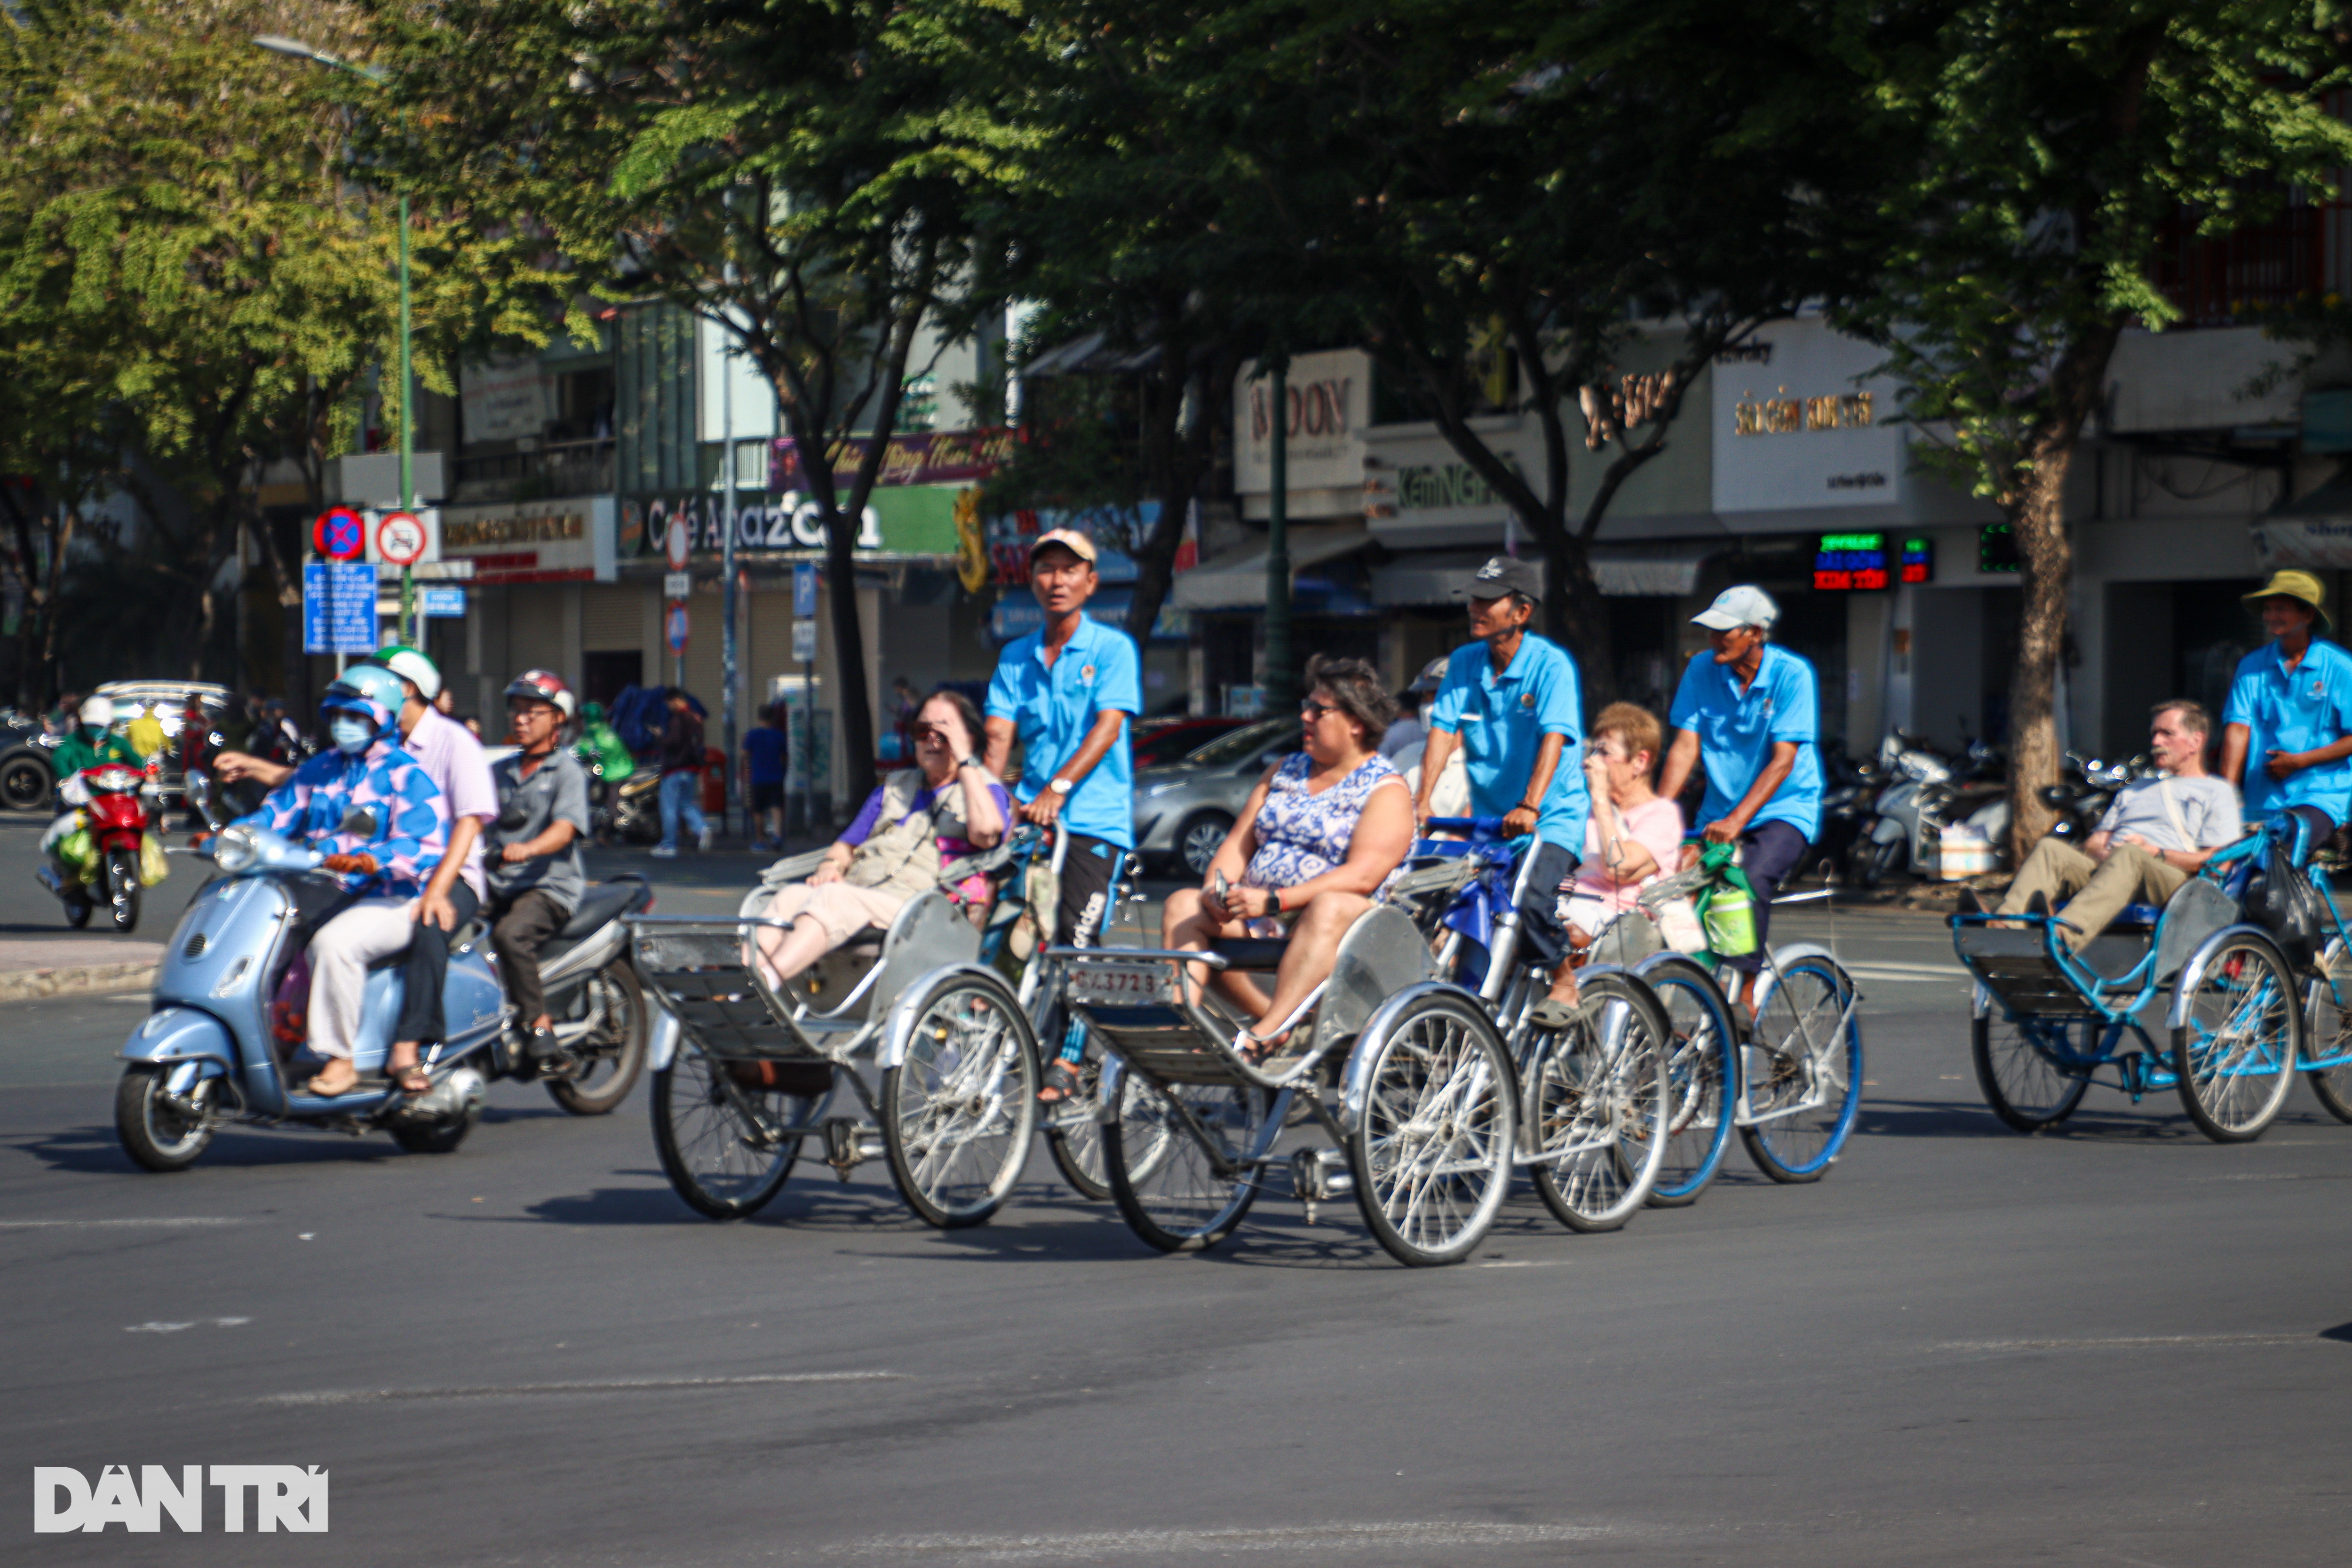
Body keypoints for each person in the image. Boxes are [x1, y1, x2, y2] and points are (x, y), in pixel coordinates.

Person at [1160, 656, 1413, 1065]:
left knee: (1331, 904)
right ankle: (1183, 1023)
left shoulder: (1386, 789)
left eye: (1320, 709)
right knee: (1183, 903)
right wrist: (1215, 890)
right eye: (1306, 706)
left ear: (1356, 722)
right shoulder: (1284, 771)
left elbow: (1363, 876)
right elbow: (1238, 844)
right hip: (1262, 914)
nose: (1306, 716)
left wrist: (1277, 899)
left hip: (1344, 923)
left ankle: (1271, 1029)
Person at [228, 669, 449, 1098]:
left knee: (332, 944)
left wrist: (372, 859)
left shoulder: (406, 774)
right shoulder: (320, 768)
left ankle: (339, 1059)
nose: (344, 722)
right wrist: (233, 835)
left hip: (391, 896)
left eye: (356, 714)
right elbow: (277, 813)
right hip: (322, 889)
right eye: (338, 714)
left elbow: (424, 843)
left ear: (382, 719)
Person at [1412, 556, 1590, 1030]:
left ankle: (1564, 978)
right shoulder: (1465, 663)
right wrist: (1421, 802)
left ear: (1520, 613)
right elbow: (1442, 731)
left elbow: (1554, 738)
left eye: (1488, 601)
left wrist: (1530, 803)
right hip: (1492, 820)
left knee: (1528, 901)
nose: (1475, 608)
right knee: (1442, 902)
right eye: (1473, 599)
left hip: (1550, 816)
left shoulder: (1551, 666)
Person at [751, 690, 1007, 989]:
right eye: (922, 731)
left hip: (922, 909)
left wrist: (966, 760)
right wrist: (830, 867)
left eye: (944, 732)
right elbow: (846, 845)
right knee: (788, 898)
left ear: (968, 738)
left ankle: (766, 982)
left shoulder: (985, 791)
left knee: (833, 899)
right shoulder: (895, 787)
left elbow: (988, 835)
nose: (931, 740)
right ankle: (741, 988)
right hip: (859, 893)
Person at [1657, 586, 1821, 1010]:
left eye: (1724, 632)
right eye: (1710, 631)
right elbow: (1685, 748)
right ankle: (1666, 999)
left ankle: (1745, 992)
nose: (1714, 640)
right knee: (1669, 887)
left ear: (1755, 633)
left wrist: (1738, 821)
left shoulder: (1792, 674)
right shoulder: (1701, 670)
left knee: (1749, 878)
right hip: (1718, 811)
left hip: (1783, 809)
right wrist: (1655, 812)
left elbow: (1783, 761)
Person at [981, 528, 1140, 946]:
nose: (1058, 581)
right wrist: (989, 796)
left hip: (1093, 820)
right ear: (1032, 580)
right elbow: (998, 736)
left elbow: (1108, 728)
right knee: (1006, 928)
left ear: (1090, 583)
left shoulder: (1112, 649)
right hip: (1032, 816)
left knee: (1075, 936)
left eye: (1070, 570)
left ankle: (1079, 1013)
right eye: (1047, 570)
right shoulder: (1016, 655)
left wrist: (1058, 788)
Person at [1989, 700, 2241, 947]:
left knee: (2130, 856)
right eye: (2154, 734)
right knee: (2050, 850)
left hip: (2175, 880)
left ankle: (2064, 935)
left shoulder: (2216, 791)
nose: (2156, 742)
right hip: (2116, 868)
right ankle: (2006, 924)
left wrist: (2155, 852)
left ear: (2196, 741)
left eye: (2167, 734)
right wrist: (2106, 852)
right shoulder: (2134, 789)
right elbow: (2095, 843)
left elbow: (2220, 862)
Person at [375, 646, 500, 1094]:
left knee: (428, 925)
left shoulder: (454, 742)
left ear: (407, 689)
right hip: (392, 873)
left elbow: (469, 822)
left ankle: (409, 1048)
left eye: (379, 683)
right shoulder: (382, 744)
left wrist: (439, 890)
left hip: (453, 876)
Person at [482, 671, 595, 1066]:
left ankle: (539, 1022)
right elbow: (472, 822)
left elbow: (565, 829)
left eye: (533, 711)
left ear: (557, 719)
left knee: (510, 935)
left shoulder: (566, 772)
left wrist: (528, 848)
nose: (521, 719)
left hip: (549, 886)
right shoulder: (499, 772)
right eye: (516, 710)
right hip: (498, 882)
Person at [2220, 569, 2352, 854]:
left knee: (2283, 855)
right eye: (2267, 609)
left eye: (2281, 608)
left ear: (2308, 616)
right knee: (2231, 865)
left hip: (2321, 794)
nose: (2270, 616)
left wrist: (2299, 762)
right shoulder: (2252, 665)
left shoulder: (2341, 666)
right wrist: (2224, 793)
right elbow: (2238, 729)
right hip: (2263, 798)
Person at [1561, 703, 1687, 951]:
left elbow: (1618, 868)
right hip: (1566, 900)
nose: (1593, 761)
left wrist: (1599, 797)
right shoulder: (1586, 806)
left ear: (1640, 762)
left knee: (1546, 932)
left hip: (1615, 918)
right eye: (1593, 751)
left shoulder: (1662, 814)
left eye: (1605, 752)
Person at [652, 689, 712, 858]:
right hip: (691, 768)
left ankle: (669, 845)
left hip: (675, 768)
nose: (669, 707)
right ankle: (702, 828)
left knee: (669, 807)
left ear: (677, 701)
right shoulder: (696, 718)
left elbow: (673, 743)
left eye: (670, 703)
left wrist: (660, 737)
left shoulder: (678, 719)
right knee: (686, 804)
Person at [49, 695, 138, 781]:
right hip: (82, 793)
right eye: (91, 725)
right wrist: (67, 778)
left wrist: (147, 774)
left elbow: (136, 761)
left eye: (100, 726)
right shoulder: (72, 742)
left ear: (110, 725)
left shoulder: (119, 743)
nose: (95, 729)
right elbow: (59, 759)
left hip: (116, 792)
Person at [1379, 657, 1447, 759]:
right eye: (1425, 698)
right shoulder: (1406, 758)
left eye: (1436, 696)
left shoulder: (1475, 761)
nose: (1429, 707)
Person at [742, 702, 789, 851]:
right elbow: (784, 757)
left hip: (758, 778)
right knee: (776, 807)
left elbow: (745, 755)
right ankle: (777, 836)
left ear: (759, 718)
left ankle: (760, 840)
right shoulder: (779, 736)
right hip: (776, 777)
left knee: (758, 810)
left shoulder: (752, 735)